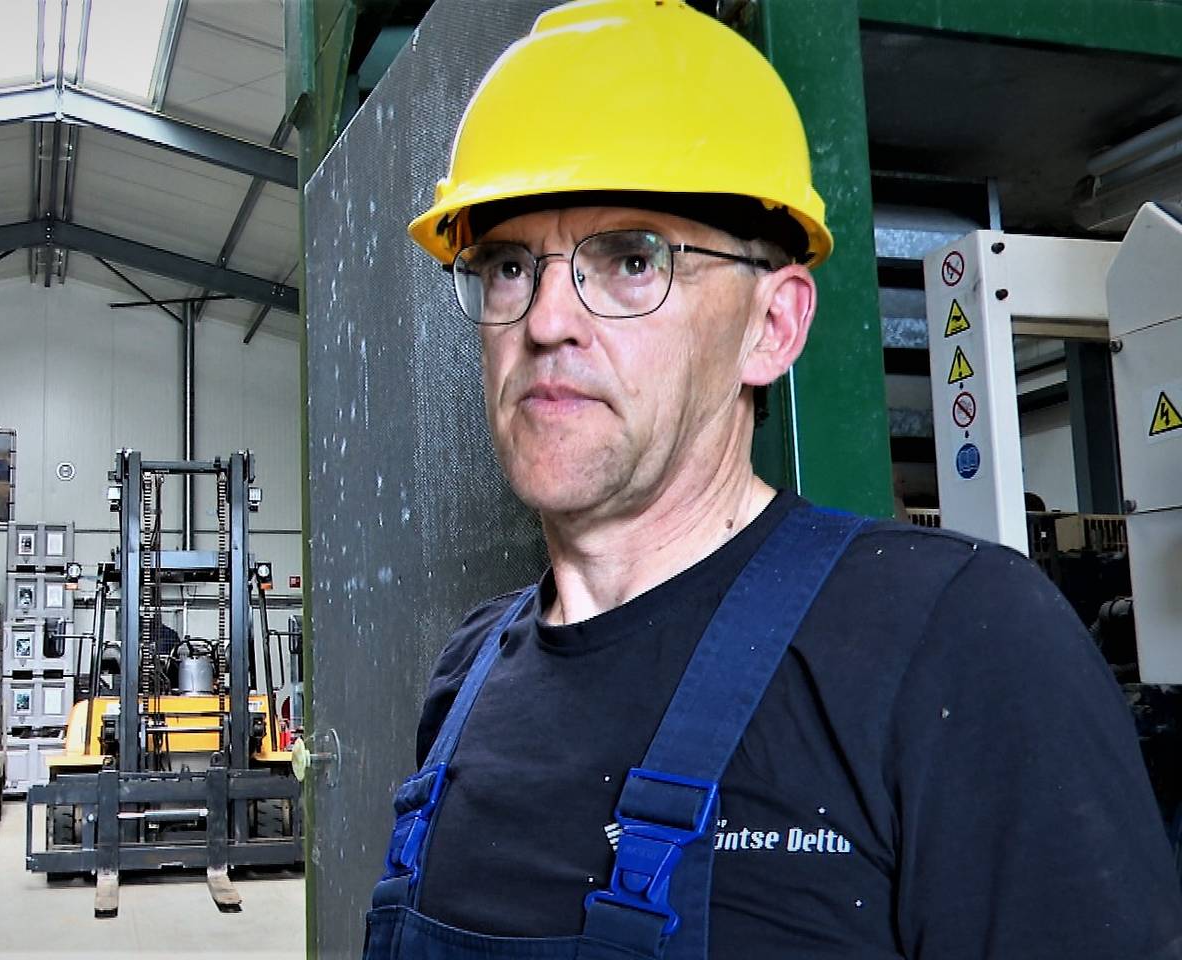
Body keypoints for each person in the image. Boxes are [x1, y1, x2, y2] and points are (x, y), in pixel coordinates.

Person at [363, 1, 1182, 957]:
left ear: (774, 327)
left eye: (632, 260)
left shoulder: (965, 647)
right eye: (508, 267)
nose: (545, 320)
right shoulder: (465, 681)